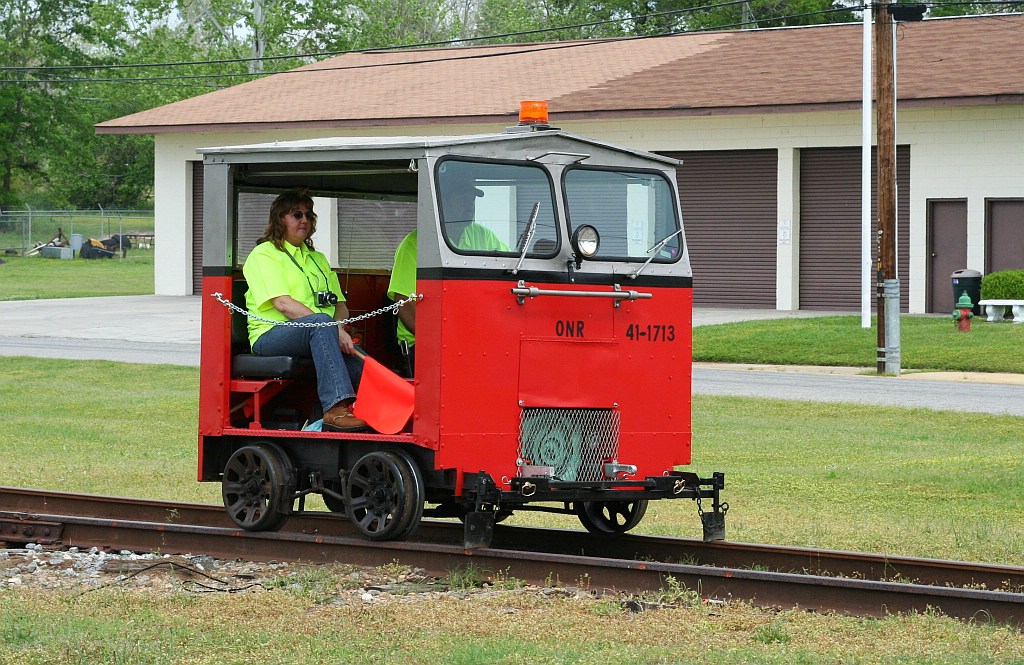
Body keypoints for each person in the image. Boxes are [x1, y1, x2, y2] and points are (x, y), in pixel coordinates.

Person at [242, 188, 367, 432]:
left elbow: (340, 306)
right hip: (270, 336)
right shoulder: (264, 254)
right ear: (280, 219)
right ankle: (335, 409)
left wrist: (338, 327)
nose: (304, 220)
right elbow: (283, 305)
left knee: (364, 363)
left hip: (319, 333)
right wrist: (330, 328)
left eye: (308, 215)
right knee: (321, 323)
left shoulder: (317, 258)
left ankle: (375, 412)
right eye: (296, 214)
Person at [386, 178, 509, 373]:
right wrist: (439, 340)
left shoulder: (485, 236)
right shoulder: (414, 244)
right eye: (462, 200)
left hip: (475, 341)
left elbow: (510, 275)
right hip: (426, 344)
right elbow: (404, 304)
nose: (469, 206)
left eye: (472, 200)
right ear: (442, 205)